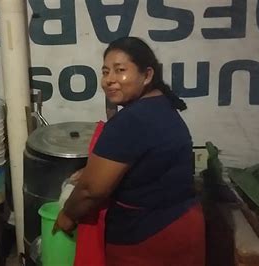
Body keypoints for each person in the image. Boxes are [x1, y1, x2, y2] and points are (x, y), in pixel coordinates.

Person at [53, 36, 205, 266]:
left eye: (120, 70)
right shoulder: (160, 105)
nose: (109, 80)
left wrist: (68, 215)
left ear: (147, 75)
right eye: (105, 72)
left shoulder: (131, 121)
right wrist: (90, 169)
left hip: (146, 237)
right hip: (183, 224)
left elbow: (90, 192)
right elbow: (143, 160)